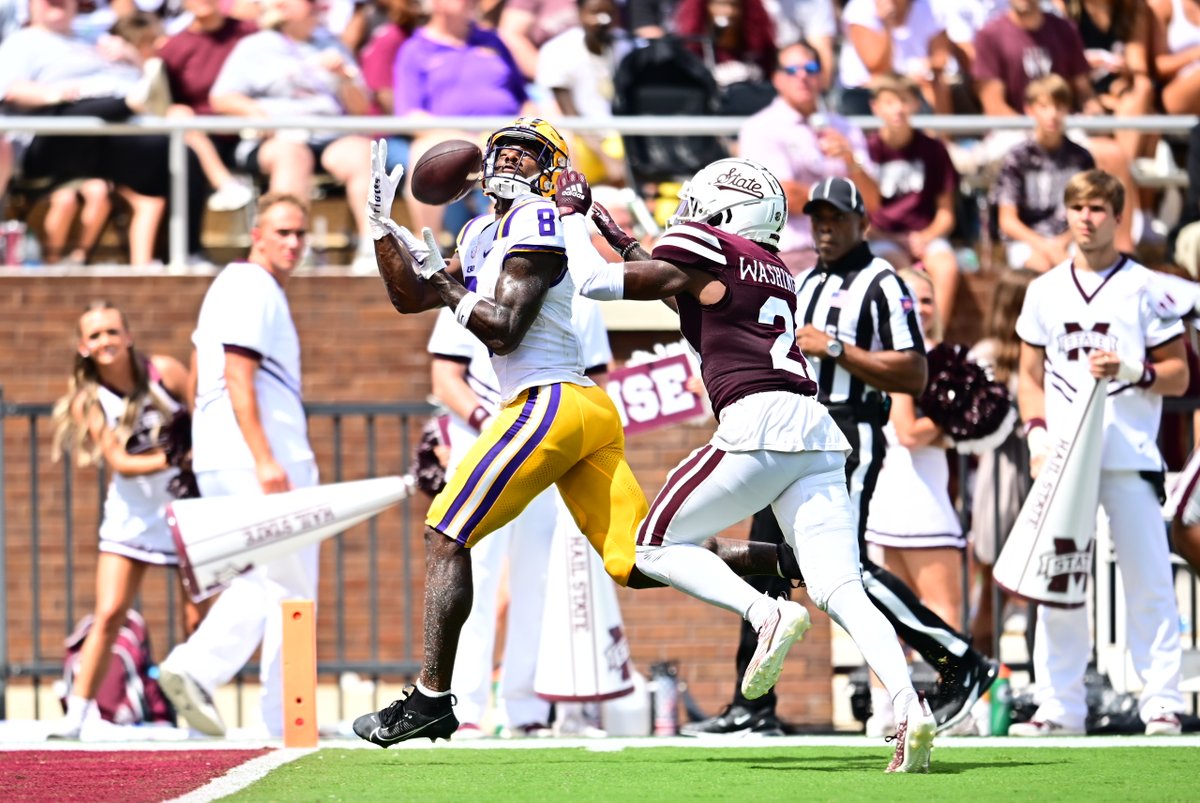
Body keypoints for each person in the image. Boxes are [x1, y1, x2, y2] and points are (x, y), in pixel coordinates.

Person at [353, 118, 814, 749]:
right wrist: (381, 231)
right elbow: (408, 298)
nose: (511, 160)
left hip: (551, 400)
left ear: (549, 171)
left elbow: (502, 329)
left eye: (528, 154)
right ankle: (788, 563)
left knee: (445, 532)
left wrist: (443, 282)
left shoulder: (537, 220)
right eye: (504, 151)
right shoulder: (483, 228)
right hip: (579, 410)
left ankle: (431, 700)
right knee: (638, 559)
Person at [558, 160, 937, 771]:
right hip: (817, 429)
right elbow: (689, 303)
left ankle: (768, 611)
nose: (686, 214)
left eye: (697, 204)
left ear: (724, 211)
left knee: (649, 545)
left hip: (758, 420)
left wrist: (574, 222)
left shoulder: (706, 244)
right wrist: (621, 238)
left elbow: (597, 285)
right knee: (839, 587)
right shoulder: (776, 269)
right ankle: (908, 704)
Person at [686, 176, 998, 737]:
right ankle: (751, 705)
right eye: (818, 218)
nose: (825, 229)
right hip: (786, 426)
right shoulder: (800, 278)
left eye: (836, 218)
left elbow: (914, 370)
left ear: (864, 222)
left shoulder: (882, 282)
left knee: (838, 567)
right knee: (772, 558)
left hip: (847, 431)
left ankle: (959, 660)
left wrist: (835, 348)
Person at [1010, 168, 1188, 737]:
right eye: (1078, 207)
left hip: (1130, 451)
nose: (1086, 218)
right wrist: (1036, 434)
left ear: (1118, 216)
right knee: (1058, 582)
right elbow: (1028, 374)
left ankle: (1161, 698)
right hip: (1065, 457)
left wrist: (1134, 371)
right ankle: (1060, 706)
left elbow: (1181, 375)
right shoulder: (1043, 289)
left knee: (1148, 578)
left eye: (1097, 209)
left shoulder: (1147, 286)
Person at [156, 193, 320, 738]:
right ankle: (213, 676)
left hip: (229, 455)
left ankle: (279, 714)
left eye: (300, 233)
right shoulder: (253, 285)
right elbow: (238, 373)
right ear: (257, 235)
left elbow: (205, 366)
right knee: (288, 586)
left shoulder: (234, 286)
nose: (293, 243)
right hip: (258, 458)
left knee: (268, 579)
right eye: (282, 232)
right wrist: (265, 458)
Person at [427, 294, 613, 738]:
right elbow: (445, 375)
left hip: (549, 449)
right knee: (471, 571)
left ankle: (525, 709)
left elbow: (599, 380)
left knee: (539, 583)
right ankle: (463, 708)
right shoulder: (470, 285)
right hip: (480, 445)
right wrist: (490, 421)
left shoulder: (582, 297)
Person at [46, 301, 202, 739]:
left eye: (112, 331)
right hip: (131, 517)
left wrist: (197, 455)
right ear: (83, 347)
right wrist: (174, 454)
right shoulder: (89, 399)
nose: (105, 341)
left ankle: (198, 711)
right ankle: (77, 714)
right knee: (110, 612)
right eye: (95, 336)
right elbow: (121, 462)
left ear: (128, 335)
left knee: (196, 620)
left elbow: (203, 420)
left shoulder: (165, 372)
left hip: (185, 507)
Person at [861, 268, 963, 735]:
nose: (919, 308)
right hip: (912, 498)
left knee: (891, 612)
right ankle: (955, 703)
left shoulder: (925, 357)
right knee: (940, 609)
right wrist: (963, 422)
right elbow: (907, 432)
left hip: (902, 493)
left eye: (926, 300)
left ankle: (888, 710)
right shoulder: (899, 358)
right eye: (909, 300)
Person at [737, 41, 880, 276]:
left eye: (810, 68)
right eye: (792, 71)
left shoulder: (845, 128)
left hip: (850, 249)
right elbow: (785, 197)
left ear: (822, 76)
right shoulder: (760, 128)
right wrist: (847, 199)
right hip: (790, 254)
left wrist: (851, 160)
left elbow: (872, 201)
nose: (802, 76)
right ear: (776, 79)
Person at [865, 74, 960, 330]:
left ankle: (935, 340)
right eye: (889, 101)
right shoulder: (866, 151)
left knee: (946, 265)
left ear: (916, 104)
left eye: (904, 101)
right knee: (897, 267)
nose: (897, 109)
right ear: (876, 107)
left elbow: (946, 214)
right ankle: (901, 338)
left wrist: (925, 237)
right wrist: (896, 240)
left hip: (925, 234)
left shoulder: (934, 150)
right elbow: (862, 217)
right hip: (881, 236)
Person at [995, 75, 1096, 272]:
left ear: (1068, 109)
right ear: (1030, 110)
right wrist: (1043, 245)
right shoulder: (1017, 158)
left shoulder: (1082, 158)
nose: (1052, 114)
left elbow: (1089, 212)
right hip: (1026, 241)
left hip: (1070, 239)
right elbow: (1007, 220)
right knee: (1039, 267)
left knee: (1082, 267)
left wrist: (1062, 242)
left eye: (1059, 107)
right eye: (1044, 107)